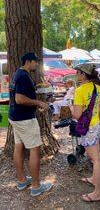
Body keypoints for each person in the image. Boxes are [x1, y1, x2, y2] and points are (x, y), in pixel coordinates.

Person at [8, 53, 53, 197]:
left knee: (18, 147)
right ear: (28, 62)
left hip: (15, 117)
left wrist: (37, 88)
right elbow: (20, 98)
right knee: (35, 150)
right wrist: (38, 102)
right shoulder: (22, 76)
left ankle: (22, 180)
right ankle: (36, 186)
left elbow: (22, 94)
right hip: (25, 119)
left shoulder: (19, 73)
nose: (37, 65)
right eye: (35, 62)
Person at [72, 63, 100, 202]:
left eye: (77, 72)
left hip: (87, 129)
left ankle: (97, 193)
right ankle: (94, 178)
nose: (76, 75)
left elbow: (76, 115)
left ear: (83, 74)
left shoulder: (79, 91)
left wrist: (71, 108)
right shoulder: (98, 88)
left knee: (95, 160)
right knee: (97, 157)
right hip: (96, 126)